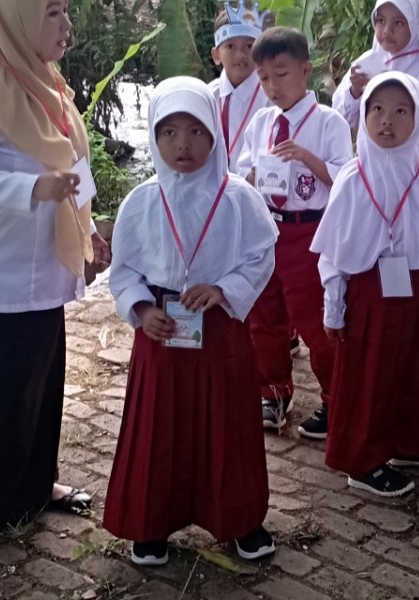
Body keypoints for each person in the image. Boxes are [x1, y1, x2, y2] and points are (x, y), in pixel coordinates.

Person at [0, 0, 109, 570]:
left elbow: (74, 168)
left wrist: (90, 230)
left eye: (65, 12)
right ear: (17, 17)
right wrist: (31, 190)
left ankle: (36, 486)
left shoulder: (47, 86)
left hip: (44, 271)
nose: (67, 26)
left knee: (40, 389)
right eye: (52, 13)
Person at [104, 77, 278, 566]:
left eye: (196, 131)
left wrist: (224, 289)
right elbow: (125, 269)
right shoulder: (141, 201)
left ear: (214, 134)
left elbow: (261, 256)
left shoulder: (238, 197)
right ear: (154, 136)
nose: (183, 144)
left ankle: (239, 519)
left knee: (228, 423)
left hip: (219, 326)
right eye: (170, 132)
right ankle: (151, 523)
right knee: (157, 425)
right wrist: (141, 309)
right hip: (161, 328)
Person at [311, 72, 419, 496]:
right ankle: (363, 462)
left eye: (401, 111)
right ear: (363, 115)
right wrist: (334, 308)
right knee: (370, 379)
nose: (387, 121)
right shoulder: (352, 177)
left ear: (418, 118)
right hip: (368, 297)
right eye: (376, 109)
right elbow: (334, 254)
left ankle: (418, 445)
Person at [237, 27, 353, 439]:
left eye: (281, 74)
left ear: (305, 69)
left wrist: (305, 157)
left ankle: (336, 401)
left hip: (310, 232)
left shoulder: (328, 122)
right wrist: (254, 173)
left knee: (316, 320)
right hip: (267, 229)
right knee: (264, 316)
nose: (272, 86)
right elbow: (242, 174)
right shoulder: (260, 122)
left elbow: (345, 180)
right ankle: (272, 392)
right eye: (264, 77)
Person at [332, 0, 419, 150]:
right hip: (371, 154)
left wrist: (408, 103)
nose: (387, 30)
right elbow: (342, 116)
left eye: (398, 23)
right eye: (381, 21)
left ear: (416, 25)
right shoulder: (367, 62)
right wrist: (354, 92)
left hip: (411, 157)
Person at [208, 1, 272, 173]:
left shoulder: (271, 97)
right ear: (216, 55)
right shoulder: (207, 96)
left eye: (249, 46)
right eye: (230, 46)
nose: (240, 55)